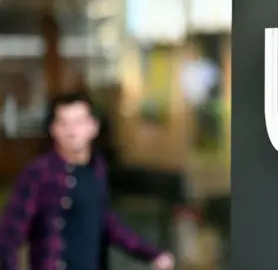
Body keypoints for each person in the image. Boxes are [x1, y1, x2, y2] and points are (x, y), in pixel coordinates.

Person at [0, 92, 174, 270]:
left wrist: (151, 253)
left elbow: (106, 221)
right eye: (63, 123)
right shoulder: (39, 173)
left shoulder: (97, 168)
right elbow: (9, 236)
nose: (71, 131)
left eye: (79, 122)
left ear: (93, 127)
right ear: (53, 129)